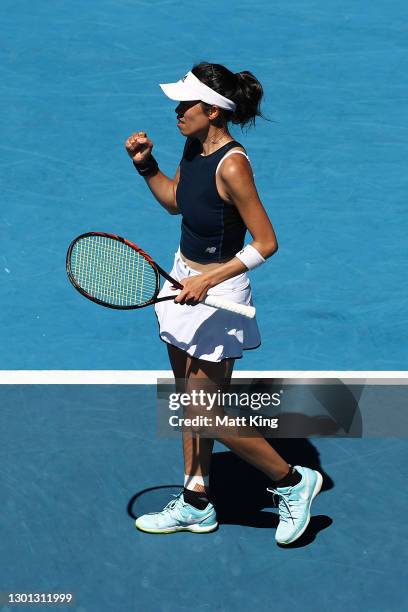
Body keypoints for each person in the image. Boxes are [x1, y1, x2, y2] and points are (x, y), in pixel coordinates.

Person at [125, 62, 322, 545]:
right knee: (188, 401)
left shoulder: (232, 164)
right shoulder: (194, 146)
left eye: (185, 104)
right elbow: (177, 202)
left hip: (217, 294)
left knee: (204, 412)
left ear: (213, 111)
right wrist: (147, 165)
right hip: (181, 280)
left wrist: (210, 279)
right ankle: (195, 501)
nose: (176, 111)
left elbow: (266, 241)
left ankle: (294, 482)